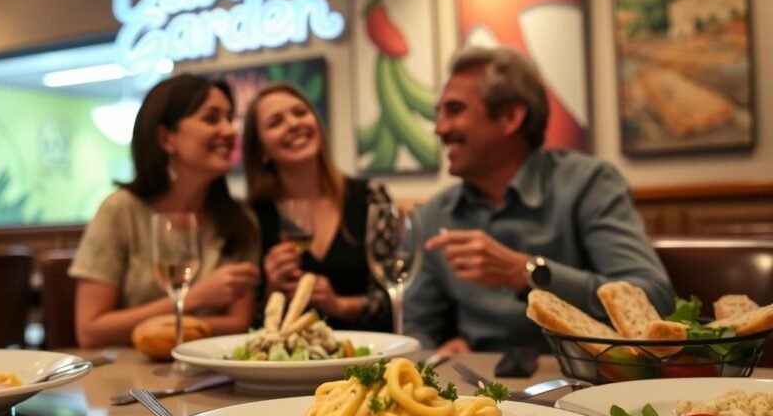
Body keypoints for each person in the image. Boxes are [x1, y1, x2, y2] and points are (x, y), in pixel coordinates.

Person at [404, 46, 674, 353]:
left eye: (454, 110)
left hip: (579, 385)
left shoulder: (589, 184)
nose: (439, 128)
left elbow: (655, 299)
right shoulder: (436, 214)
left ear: (510, 117)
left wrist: (530, 274)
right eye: (438, 113)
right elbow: (416, 327)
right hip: (470, 388)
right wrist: (435, 354)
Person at [70, 74, 261, 348]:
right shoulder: (120, 211)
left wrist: (163, 329)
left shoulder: (241, 221)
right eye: (211, 118)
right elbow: (90, 330)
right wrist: (194, 299)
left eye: (229, 118)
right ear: (166, 138)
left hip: (214, 375)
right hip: (129, 381)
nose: (230, 131)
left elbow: (238, 324)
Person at [242, 83, 392, 332]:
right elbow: (246, 328)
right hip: (287, 365)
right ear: (261, 151)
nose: (292, 124)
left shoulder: (370, 197)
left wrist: (340, 304)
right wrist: (272, 290)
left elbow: (396, 298)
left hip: (366, 358)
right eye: (276, 122)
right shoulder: (252, 218)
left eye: (300, 112)